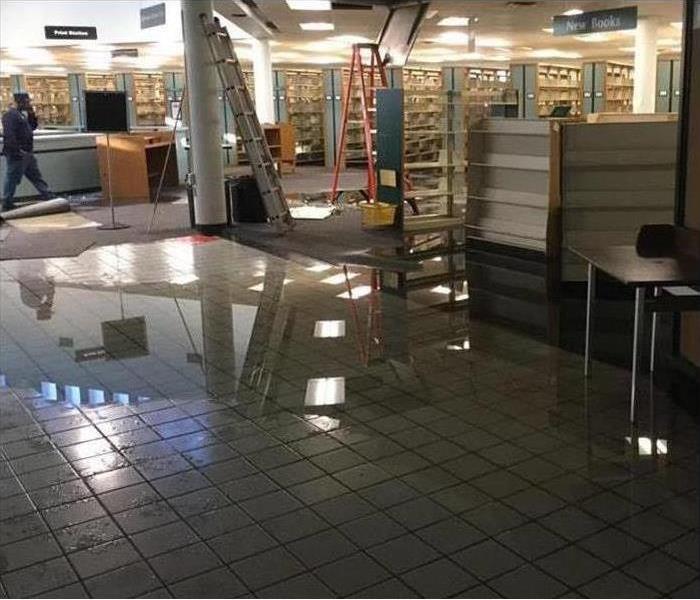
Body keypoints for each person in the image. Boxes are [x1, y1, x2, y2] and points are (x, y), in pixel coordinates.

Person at [1, 93, 55, 212]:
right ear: (17, 102)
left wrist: (31, 113)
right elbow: (9, 135)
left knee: (35, 176)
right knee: (12, 178)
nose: (28, 104)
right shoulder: (10, 115)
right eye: (26, 102)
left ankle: (48, 195)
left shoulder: (21, 115)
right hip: (18, 153)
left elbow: (33, 126)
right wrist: (17, 151)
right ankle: (7, 202)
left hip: (27, 152)